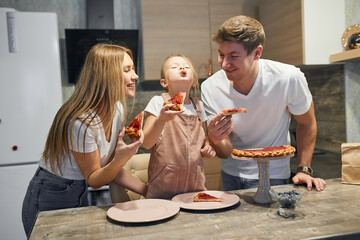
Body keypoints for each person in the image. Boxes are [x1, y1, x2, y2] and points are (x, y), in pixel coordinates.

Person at [22, 43, 147, 238]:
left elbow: (109, 170)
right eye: (127, 70)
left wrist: (147, 190)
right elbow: (95, 179)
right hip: (50, 194)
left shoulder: (117, 109)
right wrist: (122, 158)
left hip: (77, 190)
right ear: (108, 75)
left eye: (133, 68)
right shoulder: (82, 121)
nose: (135, 76)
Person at [201, 15, 326, 192]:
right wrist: (215, 138)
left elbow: (307, 123)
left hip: (274, 174)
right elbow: (225, 151)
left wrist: (303, 169)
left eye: (234, 56)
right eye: (221, 55)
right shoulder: (210, 87)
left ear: (257, 53)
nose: (225, 64)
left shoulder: (288, 77)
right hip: (231, 175)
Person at [143, 54, 216, 199]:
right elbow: (146, 143)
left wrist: (208, 147)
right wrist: (162, 119)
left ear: (194, 81)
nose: (182, 67)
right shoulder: (158, 102)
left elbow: (204, 139)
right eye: (174, 67)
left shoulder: (199, 107)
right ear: (164, 82)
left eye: (186, 67)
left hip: (195, 187)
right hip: (162, 188)